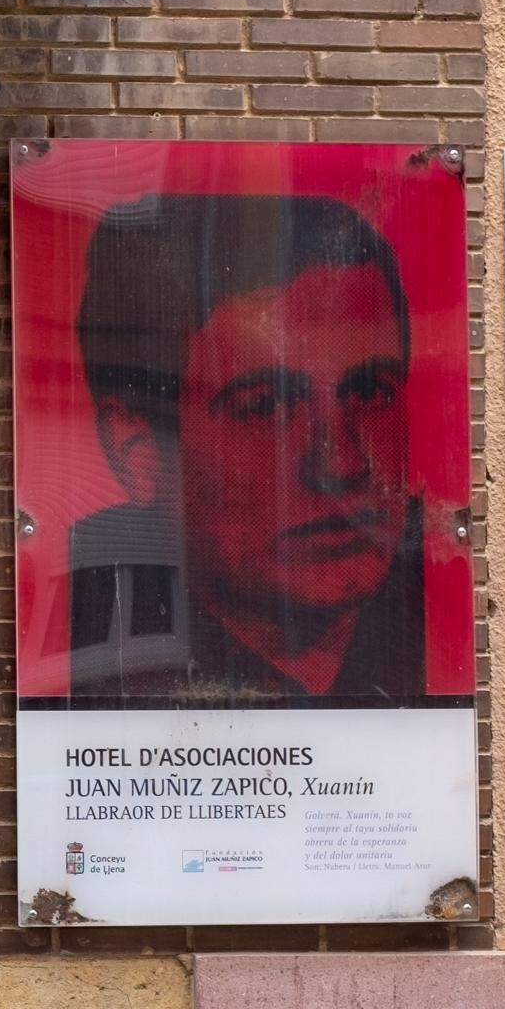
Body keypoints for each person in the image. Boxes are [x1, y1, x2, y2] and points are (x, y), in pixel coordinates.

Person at [64, 191, 426, 703]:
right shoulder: (81, 641)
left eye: (369, 391)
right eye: (267, 405)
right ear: (138, 452)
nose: (340, 462)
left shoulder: (445, 598)